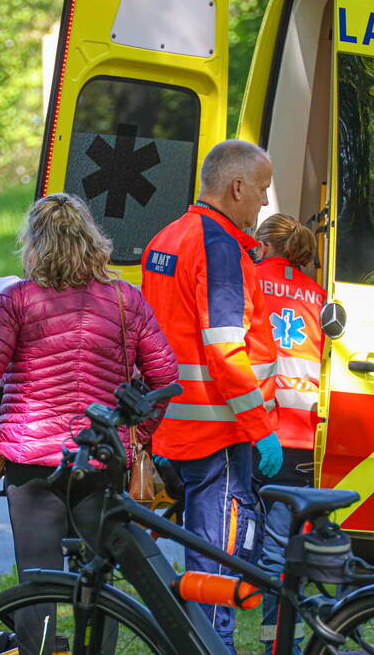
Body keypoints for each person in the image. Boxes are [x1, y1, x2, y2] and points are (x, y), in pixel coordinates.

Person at [0, 193, 177, 654]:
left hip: (32, 460)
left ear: (35, 244)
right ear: (91, 239)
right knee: (99, 582)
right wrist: (136, 435)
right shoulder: (125, 300)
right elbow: (164, 377)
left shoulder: (18, 299)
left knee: (35, 582)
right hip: (101, 459)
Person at [141, 139, 282, 653]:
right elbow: (226, 349)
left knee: (199, 553)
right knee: (218, 559)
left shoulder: (168, 237)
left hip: (175, 426)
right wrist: (261, 429)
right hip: (217, 433)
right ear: (237, 187)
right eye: (262, 190)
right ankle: (211, 647)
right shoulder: (219, 246)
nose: (265, 204)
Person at [252, 213, 326, 655]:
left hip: (254, 430)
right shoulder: (319, 296)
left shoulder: (248, 281)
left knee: (230, 540)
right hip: (303, 438)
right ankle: (282, 645)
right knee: (282, 552)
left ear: (262, 245)